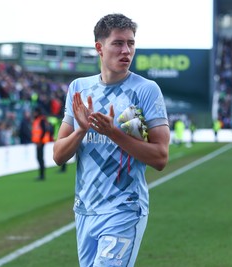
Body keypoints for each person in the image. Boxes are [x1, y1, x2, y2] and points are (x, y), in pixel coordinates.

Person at [53, 13, 170, 267]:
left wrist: (113, 132)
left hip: (124, 208)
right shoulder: (78, 89)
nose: (126, 50)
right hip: (85, 209)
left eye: (131, 43)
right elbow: (59, 155)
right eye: (118, 43)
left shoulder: (145, 90)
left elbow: (160, 157)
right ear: (99, 48)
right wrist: (81, 130)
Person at [31, 107, 51, 181]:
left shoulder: (41, 120)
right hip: (39, 142)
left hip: (40, 142)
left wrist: (40, 140)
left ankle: (42, 175)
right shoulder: (38, 120)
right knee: (39, 158)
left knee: (40, 158)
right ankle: (41, 174)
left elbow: (43, 131)